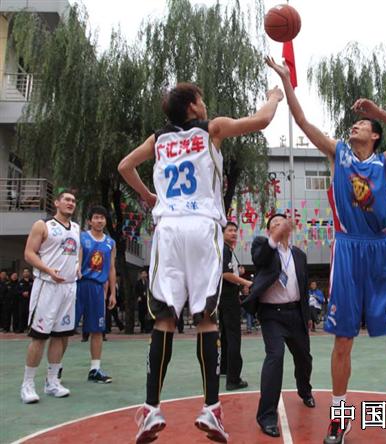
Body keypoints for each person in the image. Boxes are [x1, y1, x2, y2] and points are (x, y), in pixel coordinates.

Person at [267, 57, 386, 444]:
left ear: (374, 134)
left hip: (379, 251)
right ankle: (339, 419)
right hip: (346, 250)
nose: (355, 125)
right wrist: (287, 81)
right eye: (356, 122)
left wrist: (379, 112)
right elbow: (303, 121)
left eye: (363, 124)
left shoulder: (385, 161)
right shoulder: (338, 153)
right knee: (343, 338)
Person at [118, 80, 283, 444]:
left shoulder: (158, 139)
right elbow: (262, 120)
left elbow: (125, 165)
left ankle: (151, 409)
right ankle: (210, 408)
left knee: (164, 318)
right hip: (203, 227)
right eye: (201, 99)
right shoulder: (212, 129)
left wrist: (148, 195)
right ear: (193, 106)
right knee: (206, 319)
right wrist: (274, 96)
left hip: (168, 228)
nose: (205, 104)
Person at [242, 214, 315, 438]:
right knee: (275, 357)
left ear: (290, 229)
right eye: (274, 224)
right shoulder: (262, 246)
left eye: (282, 223)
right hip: (271, 315)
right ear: (269, 231)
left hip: (295, 313)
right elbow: (260, 259)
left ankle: (305, 391)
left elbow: (303, 287)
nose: (279, 226)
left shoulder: (299, 255)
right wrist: (274, 238)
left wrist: (307, 316)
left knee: (304, 357)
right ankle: (266, 416)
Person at [20, 191, 80, 403]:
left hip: (69, 287)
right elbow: (29, 253)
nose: (71, 203)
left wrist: (77, 265)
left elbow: (77, 251)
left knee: (60, 336)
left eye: (73, 201)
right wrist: (47, 270)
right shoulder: (43, 225)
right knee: (39, 336)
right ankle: (27, 384)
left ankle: (52, 381)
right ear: (56, 203)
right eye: (67, 199)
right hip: (47, 286)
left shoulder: (76, 228)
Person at [75, 205, 117, 383]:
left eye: (102, 218)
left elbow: (112, 268)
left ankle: (95, 369)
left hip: (98, 288)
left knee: (97, 330)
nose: (99, 220)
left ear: (105, 221)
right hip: (79, 285)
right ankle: (55, 368)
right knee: (65, 330)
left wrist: (112, 293)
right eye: (96, 217)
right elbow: (77, 259)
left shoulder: (110, 243)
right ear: (90, 221)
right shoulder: (81, 237)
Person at [219, 221, 251, 390]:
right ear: (222, 233)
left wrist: (239, 276)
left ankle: (225, 368)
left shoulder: (227, 250)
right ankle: (233, 379)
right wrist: (246, 282)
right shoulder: (224, 249)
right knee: (233, 337)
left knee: (226, 336)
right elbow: (226, 274)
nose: (233, 233)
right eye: (230, 230)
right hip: (228, 299)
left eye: (235, 231)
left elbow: (230, 272)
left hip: (224, 298)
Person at [16, 268, 33, 333]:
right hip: (22, 301)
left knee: (30, 314)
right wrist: (22, 293)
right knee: (21, 314)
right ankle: (21, 328)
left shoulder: (32, 281)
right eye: (24, 272)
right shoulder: (20, 282)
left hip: (30, 301)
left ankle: (29, 328)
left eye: (27, 272)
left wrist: (29, 293)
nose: (26, 273)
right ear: (23, 274)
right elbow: (17, 290)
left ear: (29, 273)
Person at [135, 269, 151, 334]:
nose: (144, 275)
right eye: (143, 274)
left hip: (147, 300)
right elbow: (136, 291)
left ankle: (147, 328)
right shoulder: (138, 282)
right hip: (141, 300)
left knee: (147, 315)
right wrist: (138, 297)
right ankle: (142, 328)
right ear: (141, 275)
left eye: (145, 274)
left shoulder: (148, 282)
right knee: (141, 315)